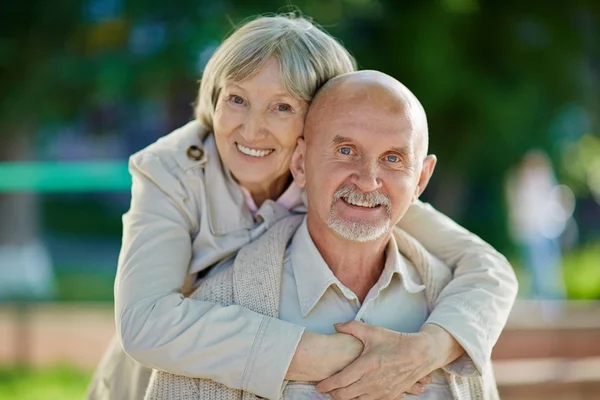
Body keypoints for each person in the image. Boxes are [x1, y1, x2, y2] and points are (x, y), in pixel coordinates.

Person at [87, 14, 518, 400]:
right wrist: (333, 354)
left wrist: (427, 348)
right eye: (236, 98)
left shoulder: (343, 183)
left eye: (282, 107)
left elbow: (487, 269)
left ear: (318, 122)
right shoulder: (171, 171)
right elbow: (145, 323)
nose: (252, 128)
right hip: (155, 377)